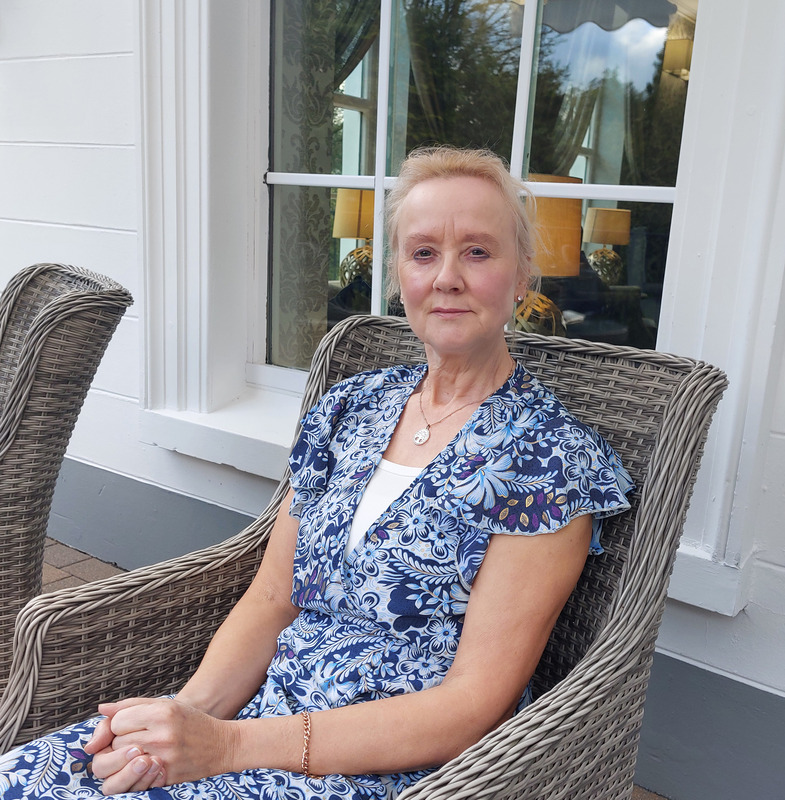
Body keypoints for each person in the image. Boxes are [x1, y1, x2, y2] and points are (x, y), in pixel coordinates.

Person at [0, 147, 633, 799]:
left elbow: (473, 707)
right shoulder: (349, 409)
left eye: (478, 251)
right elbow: (274, 599)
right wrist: (183, 720)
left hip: (380, 771)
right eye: (422, 253)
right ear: (397, 274)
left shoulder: (548, 460)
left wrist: (225, 746)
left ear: (523, 273)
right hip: (257, 722)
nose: (447, 277)